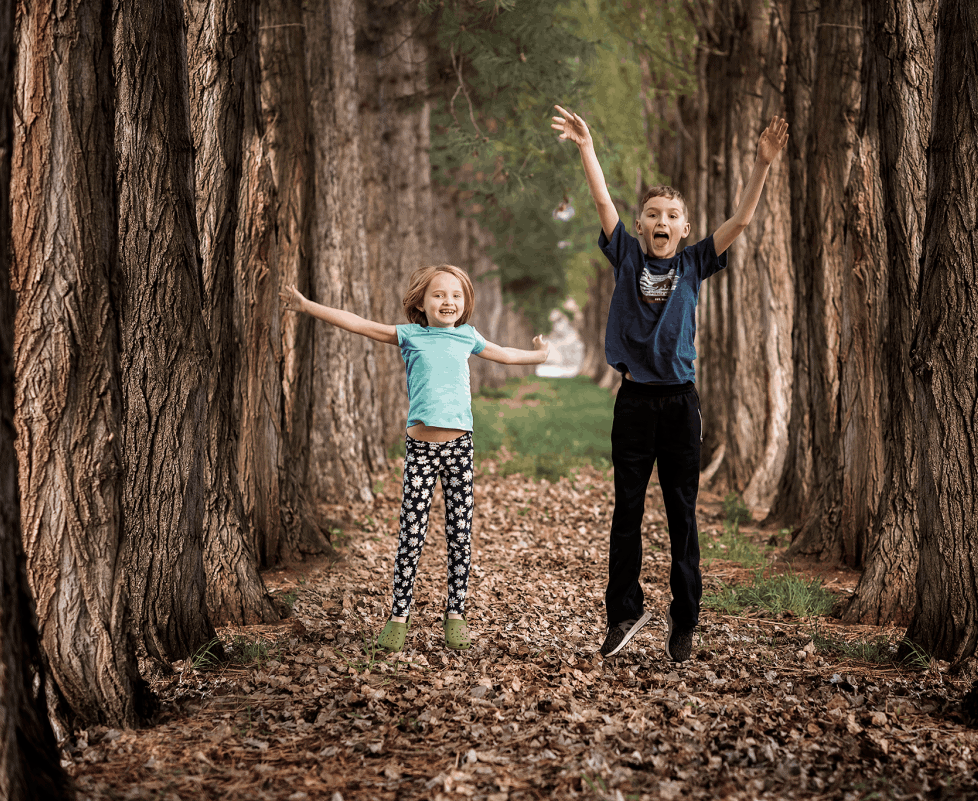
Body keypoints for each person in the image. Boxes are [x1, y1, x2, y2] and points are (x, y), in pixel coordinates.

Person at [551, 104, 788, 663]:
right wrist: (588, 148)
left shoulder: (696, 262)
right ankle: (624, 613)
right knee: (626, 511)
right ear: (641, 226)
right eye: (653, 213)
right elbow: (604, 202)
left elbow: (742, 223)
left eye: (672, 215)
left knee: (682, 513)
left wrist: (763, 165)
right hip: (634, 402)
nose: (662, 221)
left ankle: (684, 622)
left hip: (681, 404)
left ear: (683, 228)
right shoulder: (627, 255)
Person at [280, 264, 548, 652]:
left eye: (456, 295)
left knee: (460, 534)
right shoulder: (410, 335)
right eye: (439, 294)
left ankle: (455, 612)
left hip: (460, 449)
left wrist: (540, 355)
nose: (448, 301)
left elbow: (505, 355)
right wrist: (308, 306)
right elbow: (358, 324)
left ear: (465, 302)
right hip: (420, 450)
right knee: (412, 533)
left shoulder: (467, 337)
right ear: (421, 302)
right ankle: (399, 615)